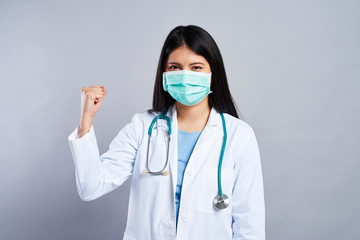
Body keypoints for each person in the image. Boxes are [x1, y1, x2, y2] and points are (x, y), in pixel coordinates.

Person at [68, 25, 265, 240]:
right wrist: (86, 121)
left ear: (212, 73)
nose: (184, 75)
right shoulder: (143, 127)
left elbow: (249, 226)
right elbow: (90, 187)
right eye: (175, 67)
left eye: (196, 67)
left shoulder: (239, 136)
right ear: (164, 74)